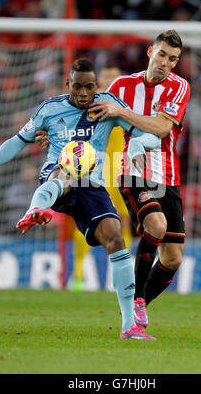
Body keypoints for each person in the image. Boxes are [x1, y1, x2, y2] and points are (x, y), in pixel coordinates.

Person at [0, 58, 159, 341]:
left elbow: (147, 133)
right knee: (66, 170)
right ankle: (35, 210)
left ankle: (129, 326)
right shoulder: (49, 109)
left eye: (89, 86)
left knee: (116, 238)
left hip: (92, 185)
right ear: (67, 84)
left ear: (96, 86)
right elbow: (16, 141)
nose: (83, 92)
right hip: (57, 175)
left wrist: (139, 142)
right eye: (77, 86)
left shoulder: (108, 105)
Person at [88, 30, 190, 329]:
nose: (166, 63)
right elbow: (94, 116)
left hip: (167, 175)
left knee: (172, 259)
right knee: (155, 225)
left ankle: (140, 299)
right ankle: (133, 301)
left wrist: (121, 111)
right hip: (133, 171)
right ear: (150, 52)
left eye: (173, 59)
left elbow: (160, 128)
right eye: (162, 55)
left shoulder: (180, 86)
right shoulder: (121, 85)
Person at [70, 64, 132, 291]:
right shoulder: (91, 106)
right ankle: (77, 274)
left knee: (123, 220)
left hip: (121, 170)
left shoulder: (125, 106)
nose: (111, 80)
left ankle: (121, 273)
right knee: (87, 221)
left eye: (116, 77)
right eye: (107, 77)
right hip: (95, 168)